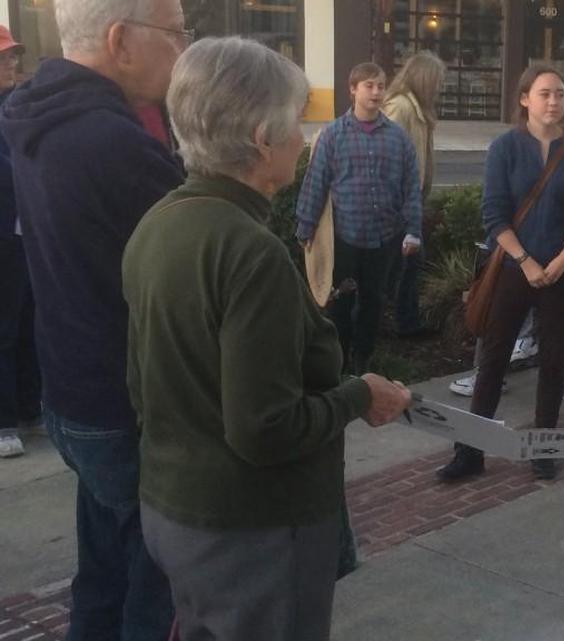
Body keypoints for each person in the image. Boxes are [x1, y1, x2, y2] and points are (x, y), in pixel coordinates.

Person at [122, 37, 412, 639]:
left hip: (174, 514)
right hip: (254, 534)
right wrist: (360, 395)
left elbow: (143, 386)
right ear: (261, 137)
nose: (304, 140)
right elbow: (265, 429)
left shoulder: (157, 223)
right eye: (295, 123)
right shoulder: (250, 251)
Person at [0, 0, 187, 637]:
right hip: (125, 403)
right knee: (153, 585)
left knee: (103, 571)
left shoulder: (34, 113)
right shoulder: (111, 142)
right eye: (175, 33)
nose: (183, 49)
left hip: (71, 394)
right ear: (119, 40)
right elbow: (200, 261)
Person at [436, 64, 564, 483]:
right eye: (545, 93)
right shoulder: (505, 148)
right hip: (513, 269)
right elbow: (494, 215)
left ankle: (542, 452)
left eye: (560, 94)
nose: (554, 102)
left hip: (562, 272)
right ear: (525, 98)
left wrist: (561, 262)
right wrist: (526, 261)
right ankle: (469, 453)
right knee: (492, 362)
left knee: (553, 361)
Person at [295, 62, 422, 374]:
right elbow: (316, 182)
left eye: (380, 86)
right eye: (369, 85)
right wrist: (305, 227)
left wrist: (413, 230)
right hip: (346, 238)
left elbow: (411, 187)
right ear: (352, 90)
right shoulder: (333, 136)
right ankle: (338, 360)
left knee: (374, 302)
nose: (376, 92)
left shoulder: (398, 139)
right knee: (340, 302)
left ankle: (363, 358)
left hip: (385, 238)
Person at [383, 51, 444, 338]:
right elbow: (387, 156)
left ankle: (404, 324)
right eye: (437, 81)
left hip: (411, 200)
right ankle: (399, 326)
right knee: (400, 266)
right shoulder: (401, 107)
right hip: (400, 204)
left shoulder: (418, 109)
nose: (439, 88)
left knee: (408, 265)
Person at [0, 24, 39, 459]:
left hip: (22, 232)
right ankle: (5, 419)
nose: (12, 63)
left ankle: (30, 407)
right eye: (3, 58)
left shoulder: (17, 105)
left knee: (28, 318)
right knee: (4, 329)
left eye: (13, 56)